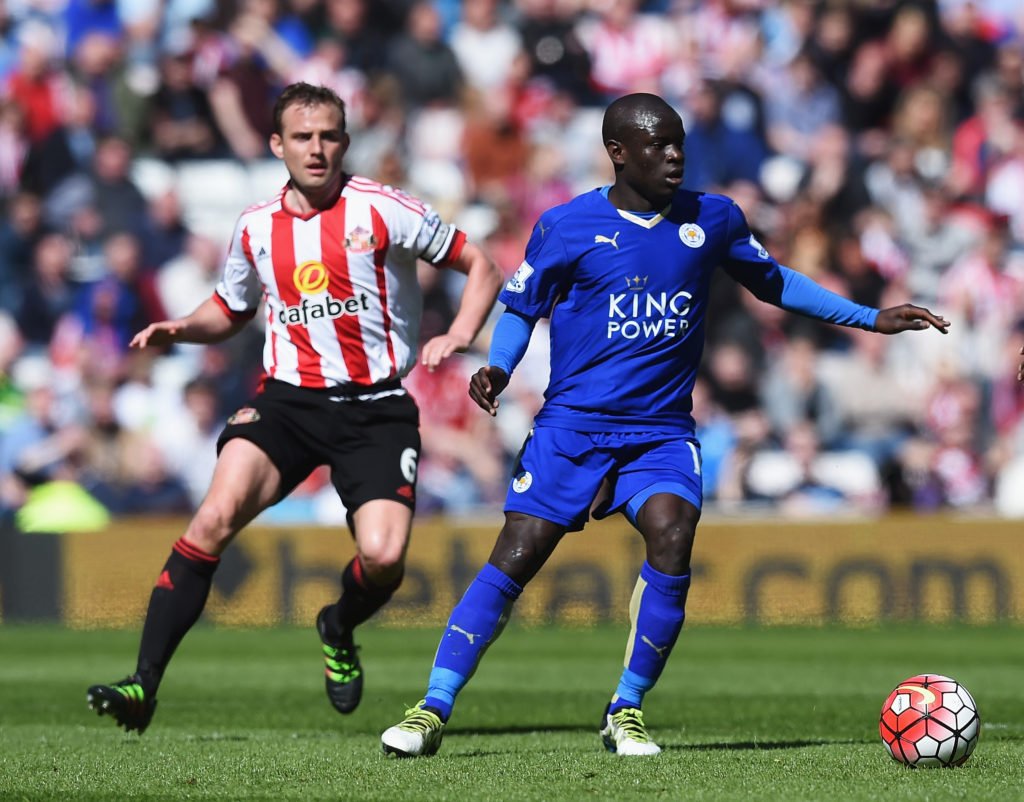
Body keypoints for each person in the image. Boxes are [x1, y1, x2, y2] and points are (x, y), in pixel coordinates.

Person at [380, 93, 949, 758]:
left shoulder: (713, 218)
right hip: (574, 427)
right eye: (658, 145)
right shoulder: (568, 225)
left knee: (673, 534)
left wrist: (869, 317)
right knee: (518, 554)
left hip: (660, 430)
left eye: (678, 142)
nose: (675, 155)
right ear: (618, 153)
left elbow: (774, 282)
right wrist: (499, 370)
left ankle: (626, 709)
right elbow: (520, 307)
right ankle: (433, 706)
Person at [86, 82, 502, 734]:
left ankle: (338, 624)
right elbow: (230, 308)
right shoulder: (255, 226)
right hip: (288, 403)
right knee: (214, 516)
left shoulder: (383, 209)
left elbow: (480, 264)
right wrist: (181, 329)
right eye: (302, 137)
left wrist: (459, 333)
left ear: (345, 141)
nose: (317, 148)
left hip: (377, 408)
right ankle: (144, 685)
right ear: (277, 144)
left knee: (385, 559)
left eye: (329, 135)